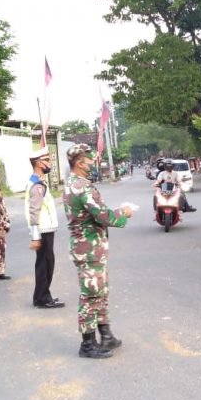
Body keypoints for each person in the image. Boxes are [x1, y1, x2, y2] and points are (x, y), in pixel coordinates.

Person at [63, 144, 134, 359]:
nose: (92, 163)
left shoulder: (72, 184)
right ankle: (87, 345)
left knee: (100, 291)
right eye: (89, 159)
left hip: (90, 247)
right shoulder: (82, 186)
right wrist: (124, 212)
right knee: (91, 294)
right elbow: (102, 216)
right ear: (78, 162)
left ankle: (106, 335)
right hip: (89, 247)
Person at [26, 148, 65, 309]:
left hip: (45, 230)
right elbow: (34, 210)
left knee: (45, 263)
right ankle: (42, 298)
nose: (49, 164)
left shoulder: (38, 182)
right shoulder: (37, 185)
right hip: (42, 231)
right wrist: (35, 236)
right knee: (45, 264)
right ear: (39, 163)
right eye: (47, 161)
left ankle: (41, 296)